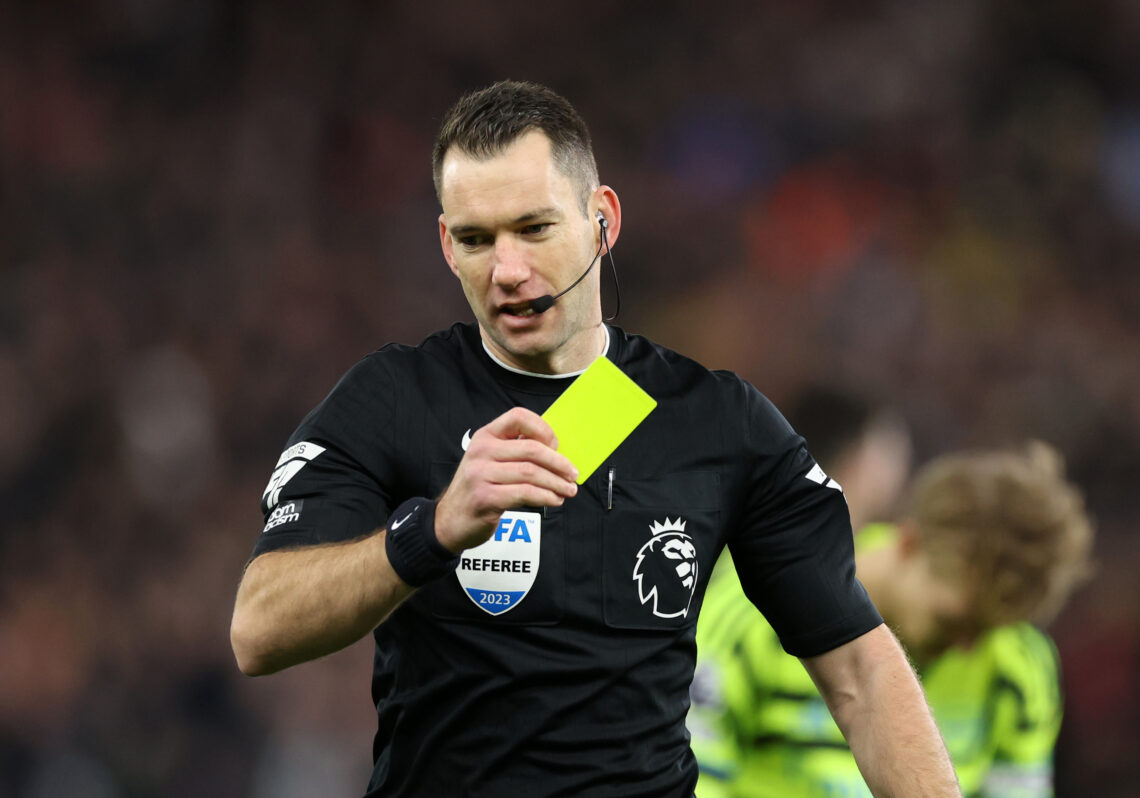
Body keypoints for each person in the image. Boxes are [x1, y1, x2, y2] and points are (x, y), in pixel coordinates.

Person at [229, 80, 961, 798]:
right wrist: (431, 531)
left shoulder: (714, 421)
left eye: (535, 228)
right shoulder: (392, 400)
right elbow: (259, 630)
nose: (508, 271)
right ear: (447, 247)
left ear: (602, 219)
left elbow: (862, 672)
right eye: (478, 240)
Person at [688, 441, 1095, 797]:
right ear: (909, 541)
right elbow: (691, 778)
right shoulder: (757, 607)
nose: (968, 647)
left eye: (985, 632)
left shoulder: (1020, 663)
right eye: (951, 622)